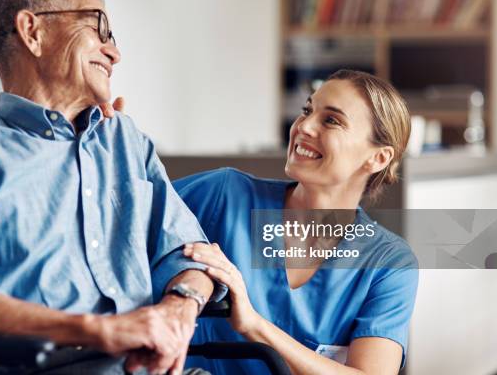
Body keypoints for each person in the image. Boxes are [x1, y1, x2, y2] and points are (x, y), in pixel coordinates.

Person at [0, 0, 223, 375]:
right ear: (32, 31)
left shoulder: (127, 142)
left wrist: (180, 307)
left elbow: (190, 255)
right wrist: (95, 330)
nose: (115, 52)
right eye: (98, 28)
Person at [175, 70, 419, 375]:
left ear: (378, 158)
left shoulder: (388, 263)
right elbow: (123, 210)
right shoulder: (224, 195)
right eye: (307, 110)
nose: (303, 126)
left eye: (331, 120)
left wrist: (254, 325)